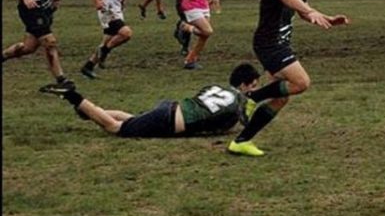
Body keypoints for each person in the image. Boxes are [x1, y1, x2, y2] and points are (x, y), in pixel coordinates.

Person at [228, 0, 350, 157]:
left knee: (281, 97)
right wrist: (311, 11)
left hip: (278, 42)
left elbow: (301, 8)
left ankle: (241, 141)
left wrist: (326, 18)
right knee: (302, 82)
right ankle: (251, 98)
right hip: (270, 43)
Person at [42, 63, 261, 138]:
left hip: (172, 107)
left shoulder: (216, 86)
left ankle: (87, 111)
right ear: (244, 85)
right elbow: (237, 125)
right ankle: (73, 96)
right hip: (170, 121)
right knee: (117, 129)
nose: (254, 90)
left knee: (133, 119)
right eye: (253, 85)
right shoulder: (238, 104)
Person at [79, 0, 147, 79]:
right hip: (106, 10)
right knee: (126, 33)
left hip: (118, 11)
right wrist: (96, 1)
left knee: (106, 41)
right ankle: (104, 52)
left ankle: (88, 67)